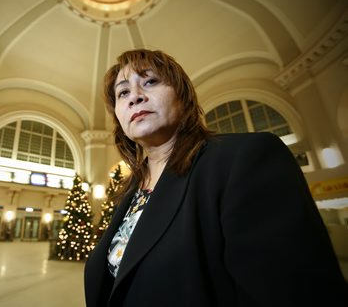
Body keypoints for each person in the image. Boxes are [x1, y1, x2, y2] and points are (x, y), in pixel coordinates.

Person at [84, 49, 348, 306]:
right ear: (119, 116)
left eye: (150, 81)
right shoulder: (129, 190)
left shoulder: (246, 158)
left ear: (183, 96)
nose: (135, 97)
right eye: (123, 92)